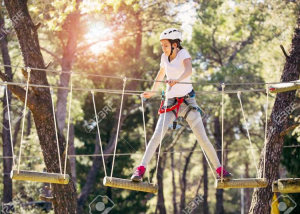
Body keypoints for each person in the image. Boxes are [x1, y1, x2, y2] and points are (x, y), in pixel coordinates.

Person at [131, 28, 233, 182]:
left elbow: (189, 70)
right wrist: (152, 92)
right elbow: (160, 75)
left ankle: (220, 170)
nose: (163, 48)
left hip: (188, 103)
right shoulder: (164, 58)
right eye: (162, 45)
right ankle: (140, 170)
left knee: (203, 138)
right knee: (157, 135)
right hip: (170, 103)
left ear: (175, 45)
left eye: (165, 45)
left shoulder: (183, 54)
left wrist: (177, 80)